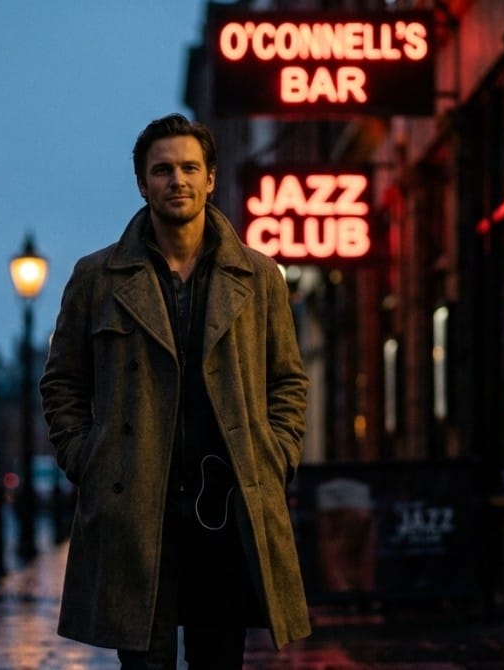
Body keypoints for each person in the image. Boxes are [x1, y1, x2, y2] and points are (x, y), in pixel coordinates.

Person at [40, 113, 311, 668]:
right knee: (143, 662)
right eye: (162, 170)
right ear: (142, 183)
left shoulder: (258, 278)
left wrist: (277, 453)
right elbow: (63, 381)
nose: (177, 180)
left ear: (211, 178)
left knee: (219, 659)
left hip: (227, 509)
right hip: (135, 510)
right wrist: (88, 457)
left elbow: (287, 381)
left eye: (190, 168)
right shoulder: (98, 278)